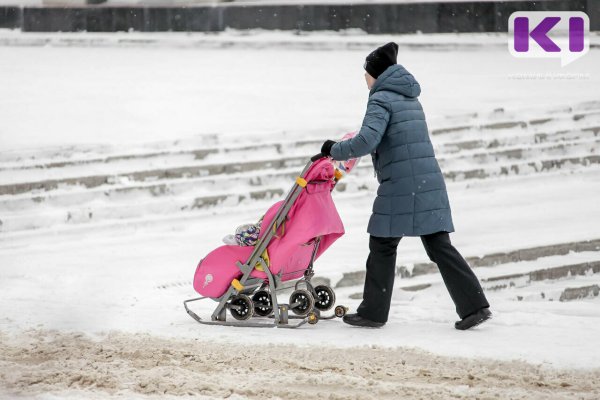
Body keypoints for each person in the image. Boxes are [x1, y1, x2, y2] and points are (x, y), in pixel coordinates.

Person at [320, 42, 491, 330]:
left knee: (382, 243)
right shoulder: (409, 97)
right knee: (438, 245)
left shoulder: (380, 99)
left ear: (377, 73)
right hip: (425, 179)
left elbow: (367, 141)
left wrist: (333, 149)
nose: (365, 78)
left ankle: (373, 312)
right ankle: (475, 306)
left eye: (366, 72)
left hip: (403, 183)